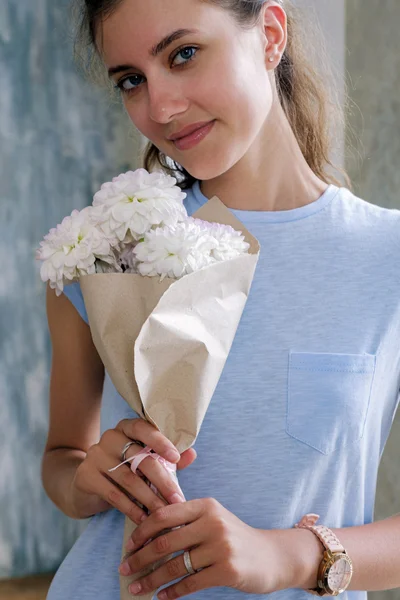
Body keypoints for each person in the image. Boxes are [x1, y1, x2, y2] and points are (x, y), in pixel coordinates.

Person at [41, 0, 400, 599]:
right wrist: (87, 480)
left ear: (269, 35)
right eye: (132, 80)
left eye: (183, 55)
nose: (160, 108)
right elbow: (61, 457)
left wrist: (287, 555)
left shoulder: (388, 255)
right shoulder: (103, 249)